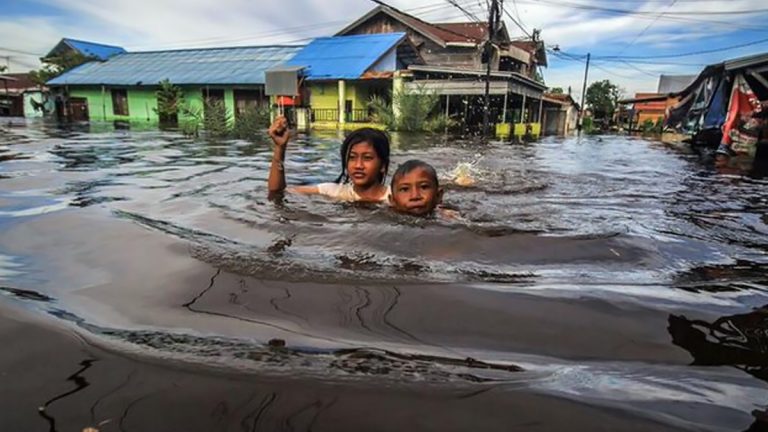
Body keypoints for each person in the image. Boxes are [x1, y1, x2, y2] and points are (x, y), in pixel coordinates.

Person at [267, 116, 391, 202]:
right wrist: (280, 148)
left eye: (367, 158)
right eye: (352, 158)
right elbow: (278, 193)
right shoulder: (334, 192)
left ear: (382, 166)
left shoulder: (395, 198)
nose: (358, 165)